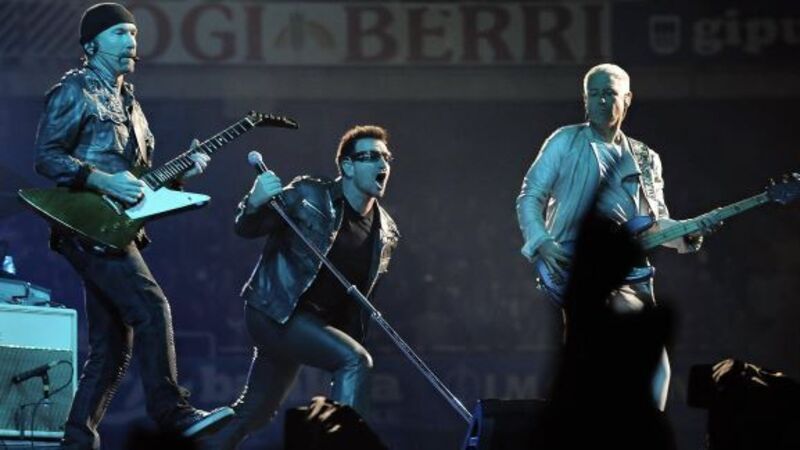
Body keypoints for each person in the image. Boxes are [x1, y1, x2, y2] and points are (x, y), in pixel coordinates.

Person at [33, 4, 232, 448]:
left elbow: (138, 183)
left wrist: (181, 174)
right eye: (120, 33)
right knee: (151, 307)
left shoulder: (133, 106)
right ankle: (172, 413)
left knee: (111, 348)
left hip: (117, 227)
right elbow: (47, 157)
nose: (131, 42)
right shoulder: (74, 90)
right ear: (91, 44)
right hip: (86, 224)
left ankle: (76, 441)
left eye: (134, 34)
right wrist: (101, 180)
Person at [516, 63, 718, 411]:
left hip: (630, 274)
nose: (600, 101)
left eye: (609, 93)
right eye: (593, 94)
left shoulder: (646, 158)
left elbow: (654, 225)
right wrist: (541, 241)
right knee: (609, 355)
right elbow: (530, 196)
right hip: (574, 265)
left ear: (628, 99)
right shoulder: (565, 141)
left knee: (657, 369)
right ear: (584, 99)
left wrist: (689, 233)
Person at [201, 125, 400, 449]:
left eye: (386, 158)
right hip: (274, 311)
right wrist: (254, 203)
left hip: (310, 324)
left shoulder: (386, 231)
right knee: (355, 361)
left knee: (254, 413)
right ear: (348, 166)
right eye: (372, 157)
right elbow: (247, 227)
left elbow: (359, 303)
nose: (383, 164)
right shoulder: (309, 193)